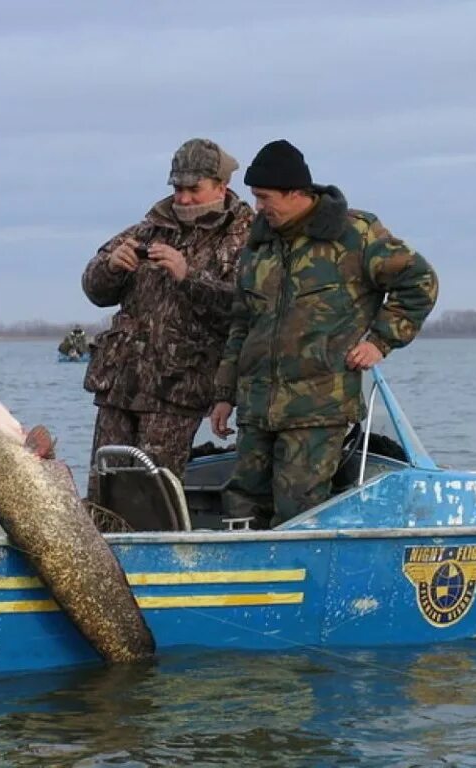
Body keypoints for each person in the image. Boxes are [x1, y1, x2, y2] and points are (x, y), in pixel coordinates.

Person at [210, 139, 438, 528]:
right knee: (240, 504)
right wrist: (224, 395)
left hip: (318, 407)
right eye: (255, 197)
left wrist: (379, 341)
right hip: (256, 405)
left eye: (265, 197)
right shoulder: (259, 243)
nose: (258, 206)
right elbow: (242, 323)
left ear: (297, 193)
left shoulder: (356, 235)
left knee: (299, 510)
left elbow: (420, 283)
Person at [82, 138, 254, 500]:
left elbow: (243, 309)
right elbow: (94, 288)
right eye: (178, 188)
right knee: (104, 489)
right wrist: (111, 268)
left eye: (194, 189)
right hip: (119, 384)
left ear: (221, 186)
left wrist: (187, 275)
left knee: (151, 495)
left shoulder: (244, 236)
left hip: (176, 388)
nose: (184, 198)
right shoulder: (150, 226)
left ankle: (153, 552)